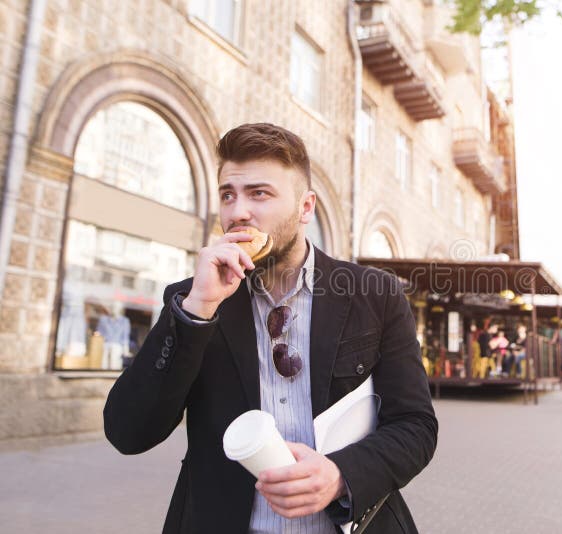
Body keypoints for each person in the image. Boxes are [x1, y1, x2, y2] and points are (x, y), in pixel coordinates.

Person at [103, 123, 438, 534]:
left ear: (306, 208)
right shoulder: (193, 299)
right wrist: (198, 311)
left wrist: (341, 475)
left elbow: (416, 426)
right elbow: (128, 432)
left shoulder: (374, 294)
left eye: (259, 193)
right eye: (228, 194)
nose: (238, 211)